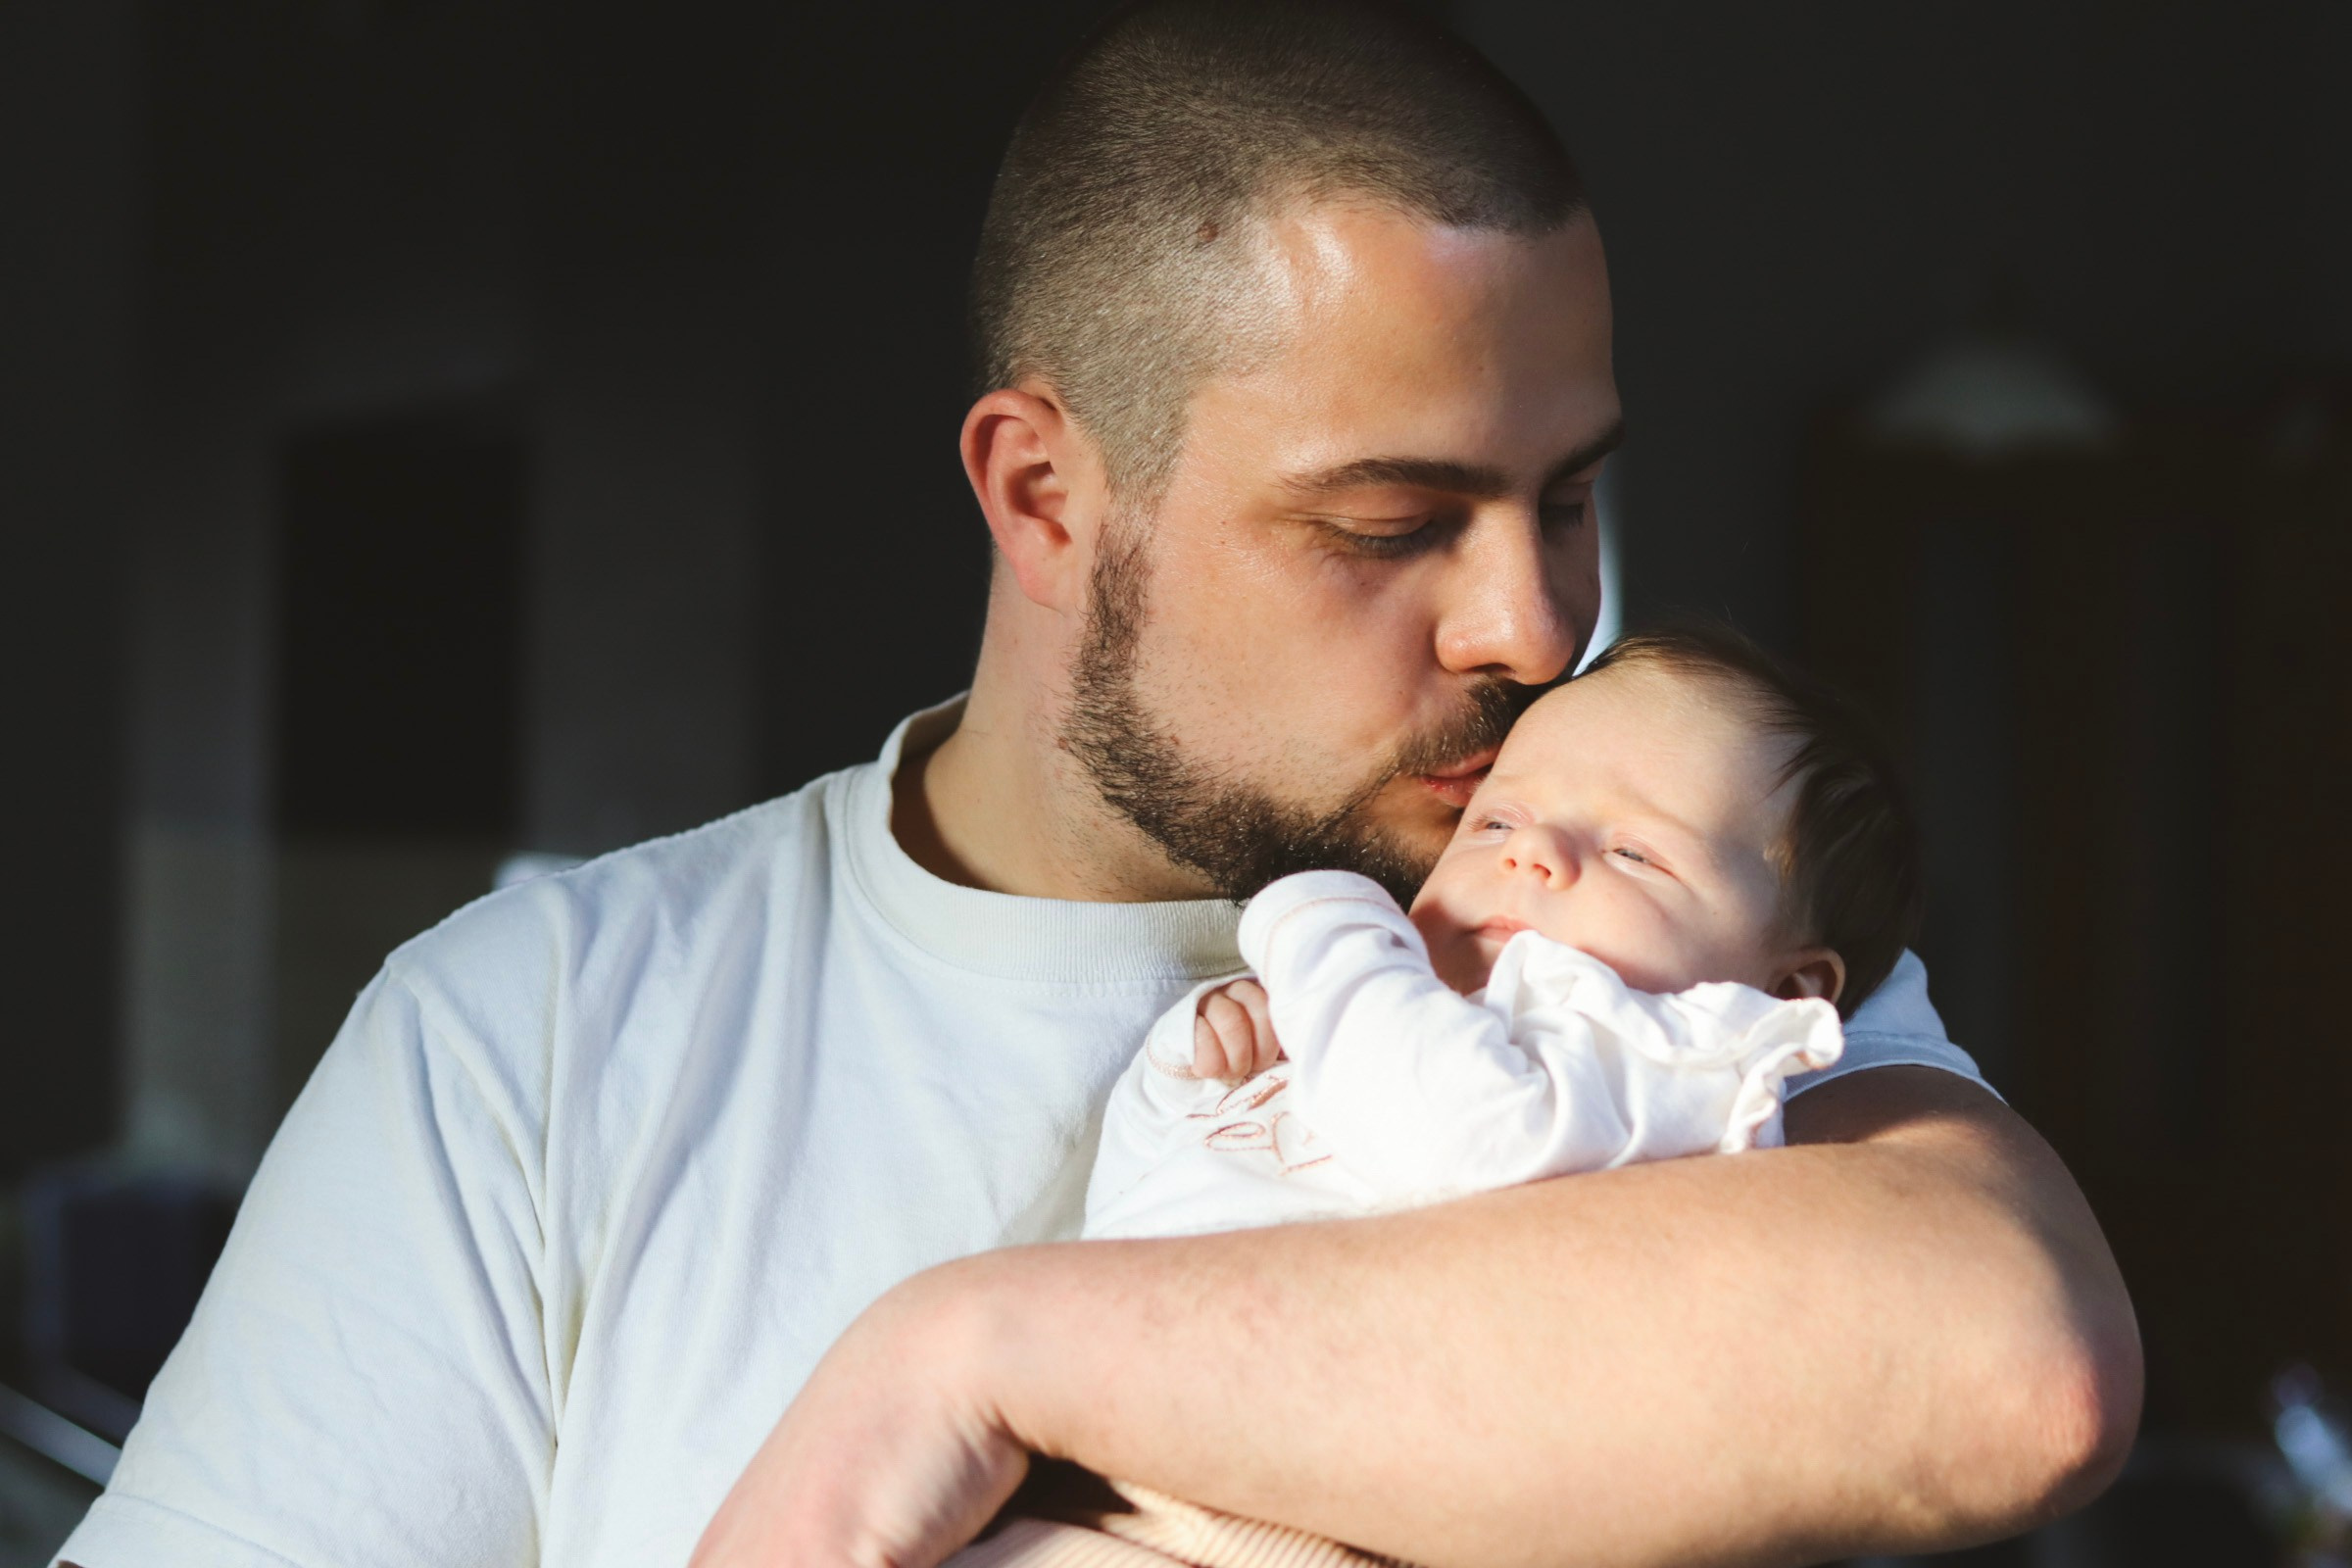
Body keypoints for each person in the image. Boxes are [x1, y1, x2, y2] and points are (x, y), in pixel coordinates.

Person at [59, 5, 2138, 1567]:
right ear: (1046, 490)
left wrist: (968, 1355)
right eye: (1393, 517)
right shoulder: (534, 1038)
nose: (1533, 620)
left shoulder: (1648, 921)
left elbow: (2008, 1363)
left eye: (1571, 491)